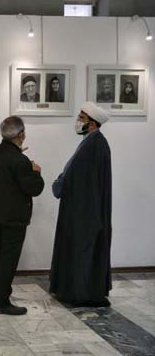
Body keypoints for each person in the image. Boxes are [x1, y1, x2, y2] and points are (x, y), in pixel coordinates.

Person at [50, 102, 112, 307]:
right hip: (83, 208)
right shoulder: (92, 143)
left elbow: (75, 176)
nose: (77, 120)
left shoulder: (95, 145)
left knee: (82, 250)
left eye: (82, 118)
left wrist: (59, 184)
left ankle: (80, 292)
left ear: (92, 124)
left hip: (85, 211)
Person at [0, 116, 44, 315]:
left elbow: (4, 174)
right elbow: (34, 189)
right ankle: (1, 302)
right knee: (8, 258)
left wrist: (21, 159)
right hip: (14, 217)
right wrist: (35, 171)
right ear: (21, 134)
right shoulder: (20, 161)